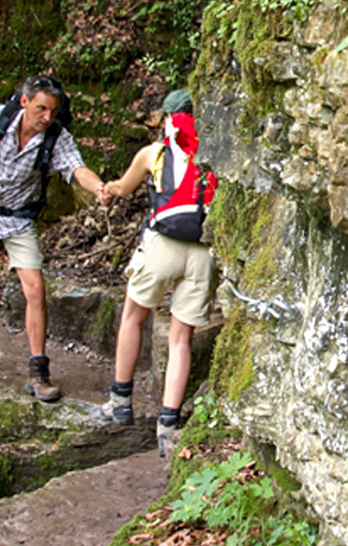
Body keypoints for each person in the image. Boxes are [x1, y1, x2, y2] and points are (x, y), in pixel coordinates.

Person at [0, 74, 109, 402]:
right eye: (42, 109)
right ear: (25, 101)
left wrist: (99, 187)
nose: (47, 117)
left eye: (53, 111)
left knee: (35, 287)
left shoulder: (56, 137)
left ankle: (38, 371)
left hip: (17, 219)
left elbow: (76, 169)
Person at [95, 89, 217, 455]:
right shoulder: (214, 156)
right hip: (203, 253)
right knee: (181, 337)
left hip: (162, 245)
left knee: (133, 317)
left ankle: (120, 402)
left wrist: (108, 190)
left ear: (168, 119)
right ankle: (168, 424)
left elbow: (123, 187)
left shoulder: (155, 153)